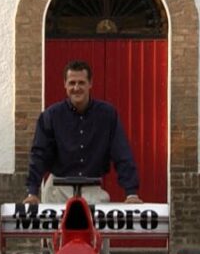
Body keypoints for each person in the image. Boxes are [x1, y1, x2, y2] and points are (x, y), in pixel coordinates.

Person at [24, 59, 142, 205]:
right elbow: (39, 155)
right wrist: (32, 192)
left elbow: (122, 153)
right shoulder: (50, 116)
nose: (76, 87)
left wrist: (131, 193)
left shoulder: (107, 115)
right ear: (65, 84)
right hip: (57, 191)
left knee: (96, 228)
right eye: (72, 83)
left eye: (81, 82)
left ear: (90, 83)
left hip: (92, 190)